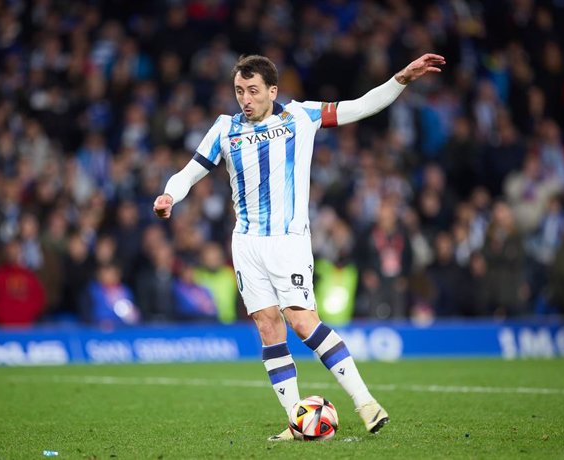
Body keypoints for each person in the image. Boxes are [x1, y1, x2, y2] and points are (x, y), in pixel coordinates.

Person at [153, 53, 445, 440]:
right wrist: (170, 195)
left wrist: (401, 79)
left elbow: (360, 107)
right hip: (246, 243)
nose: (246, 99)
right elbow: (189, 172)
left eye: (253, 91)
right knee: (268, 327)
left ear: (272, 91)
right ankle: (297, 419)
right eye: (240, 91)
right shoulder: (225, 128)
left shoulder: (300, 116)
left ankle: (366, 402)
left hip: (288, 242)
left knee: (302, 321)